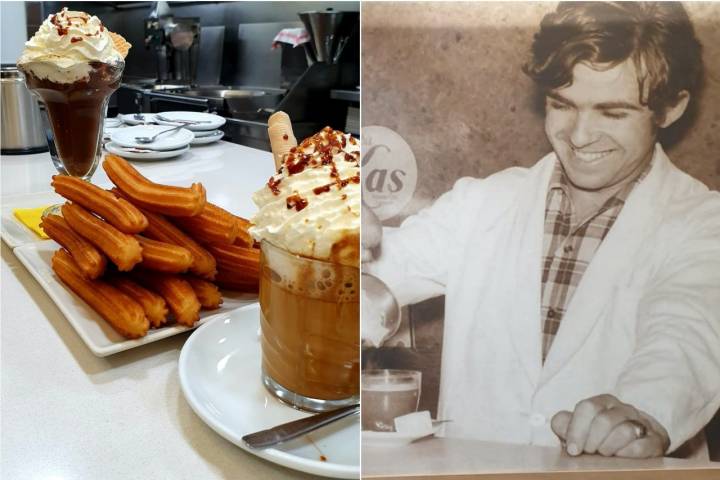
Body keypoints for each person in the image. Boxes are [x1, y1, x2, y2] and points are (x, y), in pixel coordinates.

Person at [362, 1, 720, 459]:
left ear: (671, 108)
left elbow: (688, 334)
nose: (580, 134)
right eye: (562, 104)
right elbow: (375, 279)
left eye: (613, 113)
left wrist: (643, 411)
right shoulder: (484, 203)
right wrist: (336, 243)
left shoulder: (701, 222)